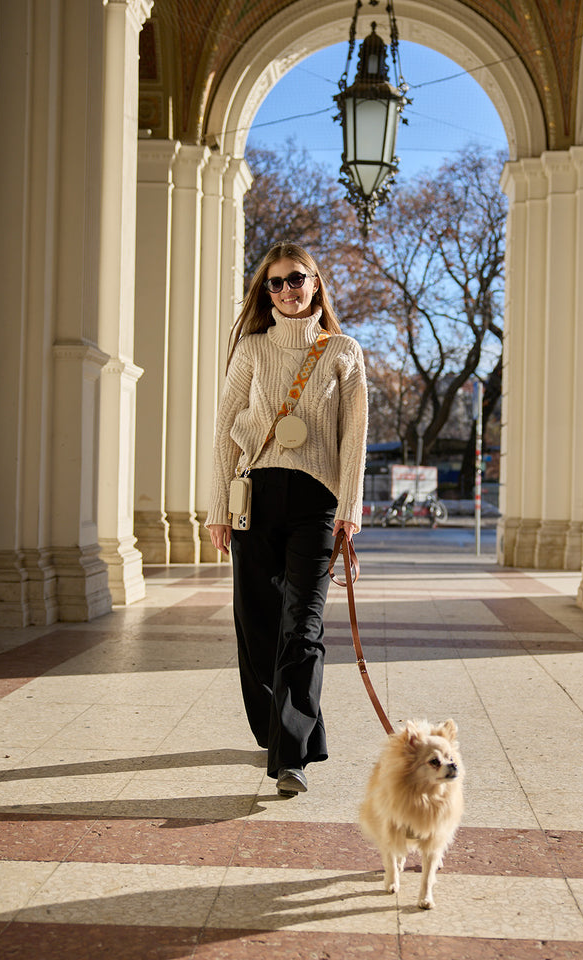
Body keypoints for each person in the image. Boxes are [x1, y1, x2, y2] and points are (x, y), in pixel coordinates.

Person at [206, 241, 368, 797]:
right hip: (255, 496)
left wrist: (349, 508)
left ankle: (292, 755)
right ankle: (277, 726)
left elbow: (355, 440)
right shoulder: (251, 350)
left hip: (316, 503)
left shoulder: (344, 351)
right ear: (265, 291)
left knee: (303, 627)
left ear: (316, 282)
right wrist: (217, 510)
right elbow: (225, 431)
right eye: (274, 283)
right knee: (256, 624)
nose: (286, 291)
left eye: (295, 279)